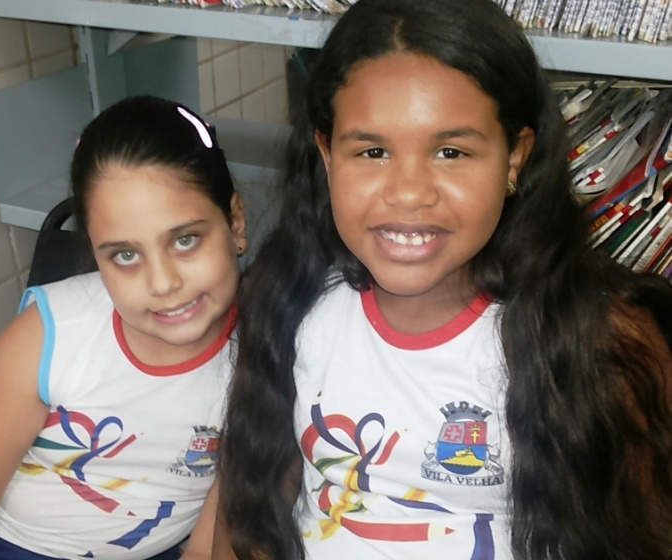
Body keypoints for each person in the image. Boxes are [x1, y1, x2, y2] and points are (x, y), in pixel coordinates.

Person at [209, 0, 672, 559]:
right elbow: (252, 506)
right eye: (373, 151)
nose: (409, 194)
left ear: (514, 157)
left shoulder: (603, 341)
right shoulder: (290, 303)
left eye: (451, 151)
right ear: (327, 153)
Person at [0, 95, 247, 559]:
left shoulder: (265, 355)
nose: (163, 283)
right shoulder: (51, 335)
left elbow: (209, 546)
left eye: (185, 240)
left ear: (236, 223)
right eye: (125, 255)